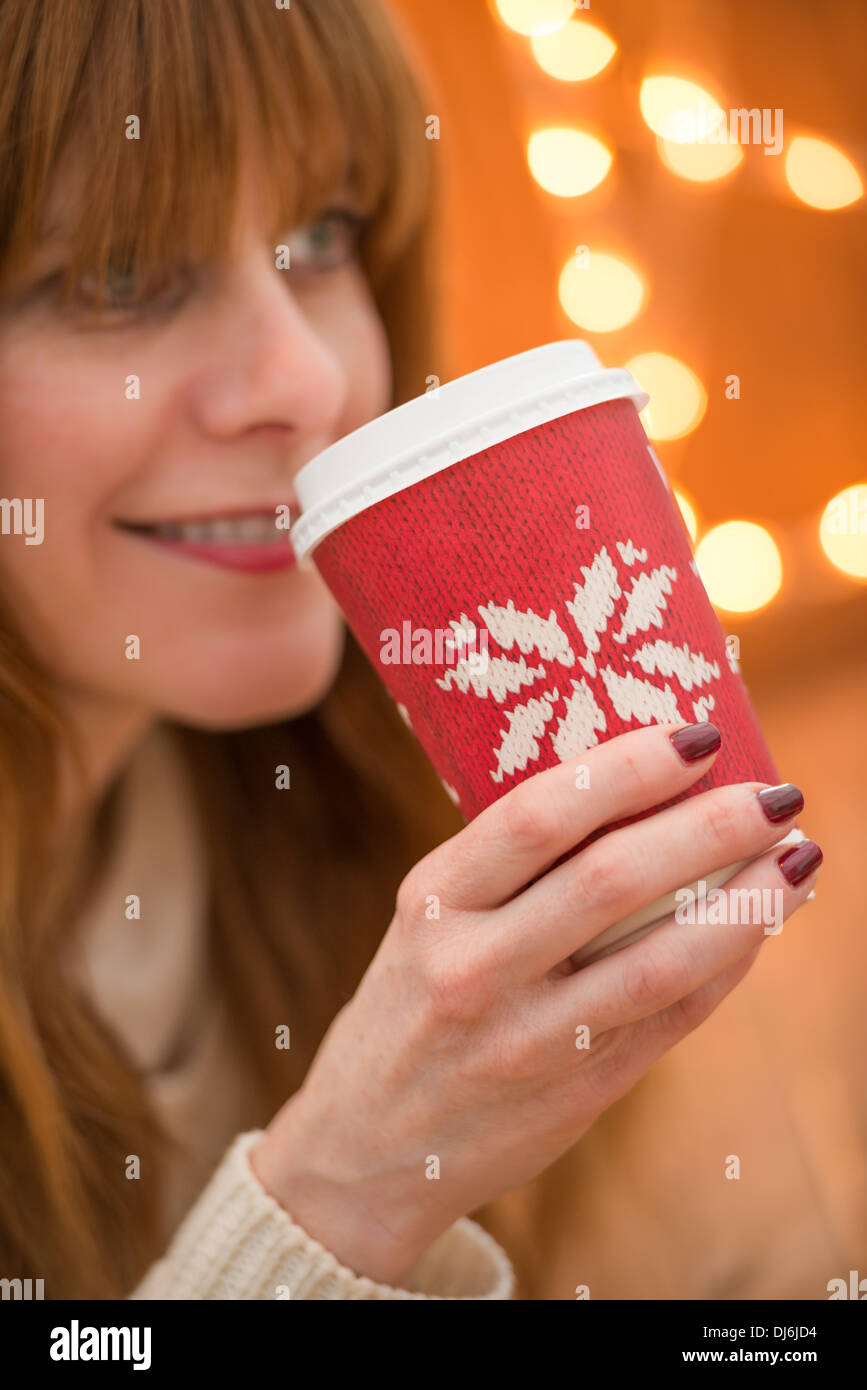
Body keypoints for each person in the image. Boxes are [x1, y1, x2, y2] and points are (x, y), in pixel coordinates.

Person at [0, 0, 822, 1301]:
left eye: (320, 239)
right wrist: (344, 1193)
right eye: (117, 275)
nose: (307, 378)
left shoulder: (379, 833)